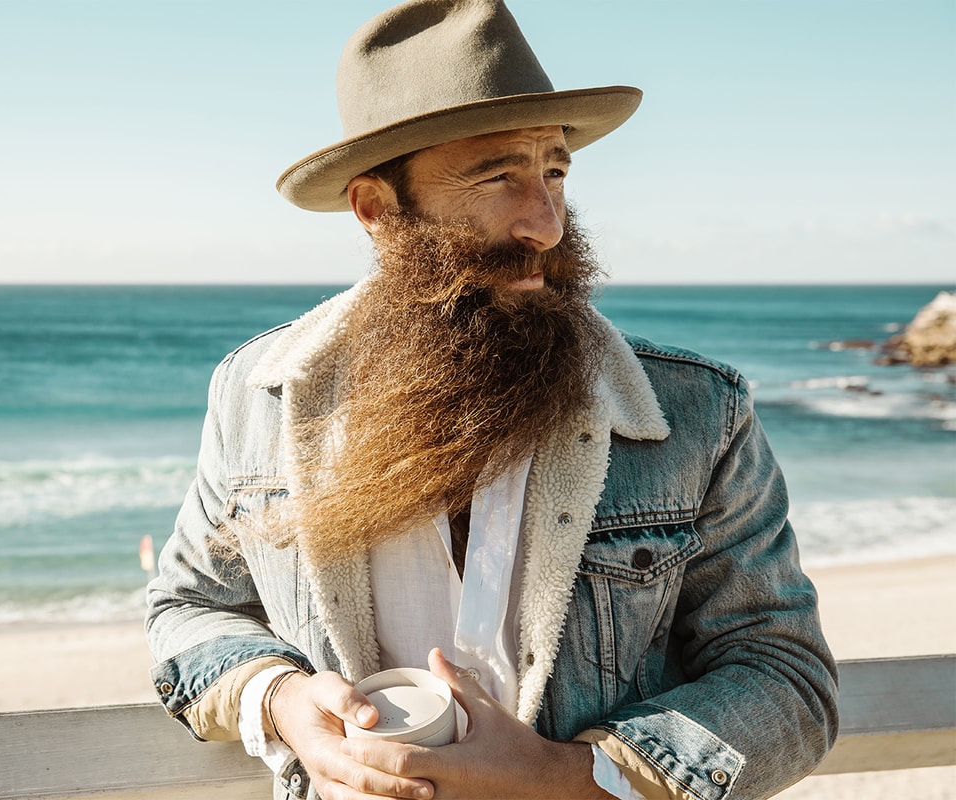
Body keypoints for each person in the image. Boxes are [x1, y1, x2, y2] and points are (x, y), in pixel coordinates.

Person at [145, 1, 839, 798]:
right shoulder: (257, 395)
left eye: (554, 170)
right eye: (496, 175)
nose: (545, 222)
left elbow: (786, 677)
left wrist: (574, 776)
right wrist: (281, 699)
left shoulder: (696, 412)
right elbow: (188, 608)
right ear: (376, 209)